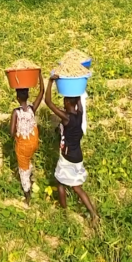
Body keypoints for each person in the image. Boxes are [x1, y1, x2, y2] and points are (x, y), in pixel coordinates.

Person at [45, 74, 98, 223]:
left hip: (67, 157)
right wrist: (80, 80)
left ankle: (64, 213)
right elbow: (80, 97)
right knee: (77, 187)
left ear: (67, 101)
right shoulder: (79, 113)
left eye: (64, 99)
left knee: (60, 182)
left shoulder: (67, 118)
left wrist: (50, 82)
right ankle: (93, 214)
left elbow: (48, 102)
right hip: (77, 156)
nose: (63, 101)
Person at [9, 75, 45, 204]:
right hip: (33, 143)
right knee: (29, 161)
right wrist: (39, 75)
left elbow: (12, 131)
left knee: (23, 168)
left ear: (17, 98)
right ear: (28, 96)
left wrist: (16, 135)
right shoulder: (32, 109)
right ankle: (32, 177)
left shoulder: (16, 112)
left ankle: (27, 195)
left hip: (23, 145)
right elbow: (42, 92)